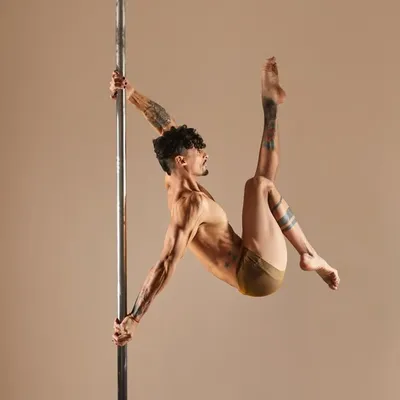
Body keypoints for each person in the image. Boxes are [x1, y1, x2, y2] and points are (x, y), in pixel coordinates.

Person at [110, 57, 340, 346]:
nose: (204, 154)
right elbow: (166, 262)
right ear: (182, 161)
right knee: (258, 185)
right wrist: (135, 317)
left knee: (263, 181)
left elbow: (163, 121)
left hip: (252, 258)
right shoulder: (190, 205)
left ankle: (270, 105)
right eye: (198, 152)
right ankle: (310, 255)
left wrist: (131, 94)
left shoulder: (176, 173)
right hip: (256, 273)